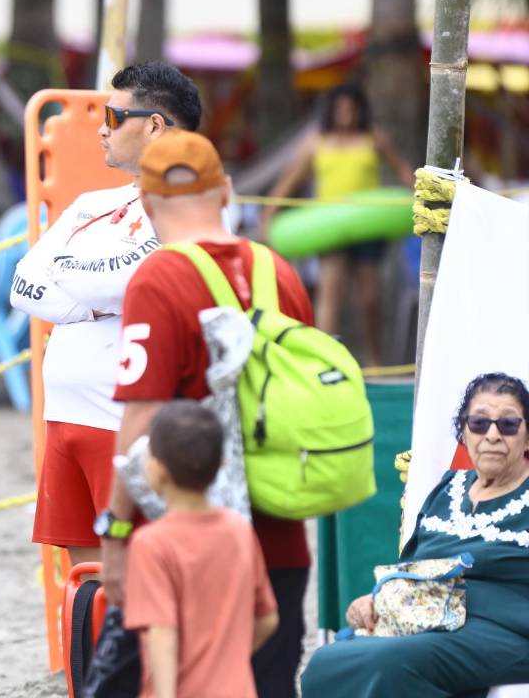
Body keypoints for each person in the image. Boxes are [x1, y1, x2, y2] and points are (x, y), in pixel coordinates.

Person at [104, 130, 315, 698]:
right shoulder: (280, 271)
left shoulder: (158, 277)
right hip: (280, 536)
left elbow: (141, 420)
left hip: (184, 546)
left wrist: (116, 529)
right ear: (226, 191)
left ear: (146, 202)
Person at [11, 61, 202, 567]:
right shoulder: (92, 202)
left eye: (114, 117)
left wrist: (73, 284)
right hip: (65, 413)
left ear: (156, 125)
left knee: (133, 582)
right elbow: (22, 283)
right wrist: (95, 300)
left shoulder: (189, 200)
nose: (100, 128)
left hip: (125, 417)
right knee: (85, 585)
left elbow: (129, 276)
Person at [301, 372, 529, 697]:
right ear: (464, 432)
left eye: (508, 424)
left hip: (505, 630)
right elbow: (411, 571)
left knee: (390, 664)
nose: (492, 435)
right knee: (325, 663)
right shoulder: (448, 489)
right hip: (426, 619)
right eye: (479, 423)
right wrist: (373, 600)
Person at [123, 400, 279, 698]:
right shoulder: (239, 530)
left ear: (156, 468)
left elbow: (162, 633)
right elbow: (267, 619)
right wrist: (224, 663)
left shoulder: (151, 544)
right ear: (222, 463)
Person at [261, 84, 414, 367]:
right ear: (332, 110)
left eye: (351, 108)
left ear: (359, 110)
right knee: (330, 294)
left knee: (369, 297)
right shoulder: (317, 142)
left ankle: (374, 360)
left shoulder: (372, 138)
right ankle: (323, 358)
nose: (346, 113)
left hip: (367, 223)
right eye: (340, 108)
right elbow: (290, 180)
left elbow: (401, 168)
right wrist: (269, 215)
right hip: (329, 226)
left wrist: (421, 194)